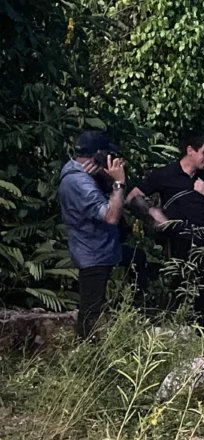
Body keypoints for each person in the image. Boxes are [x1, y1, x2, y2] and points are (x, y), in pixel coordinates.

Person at [58, 132, 146, 338]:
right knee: (90, 309)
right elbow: (111, 216)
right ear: (99, 155)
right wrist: (118, 183)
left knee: (138, 259)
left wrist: (104, 176)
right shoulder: (79, 183)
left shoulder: (80, 173)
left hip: (105, 248)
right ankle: (87, 351)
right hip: (92, 253)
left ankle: (131, 311)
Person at [126, 131, 204, 318]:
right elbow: (132, 197)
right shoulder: (165, 174)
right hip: (177, 244)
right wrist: (152, 212)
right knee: (178, 291)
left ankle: (202, 334)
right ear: (190, 151)